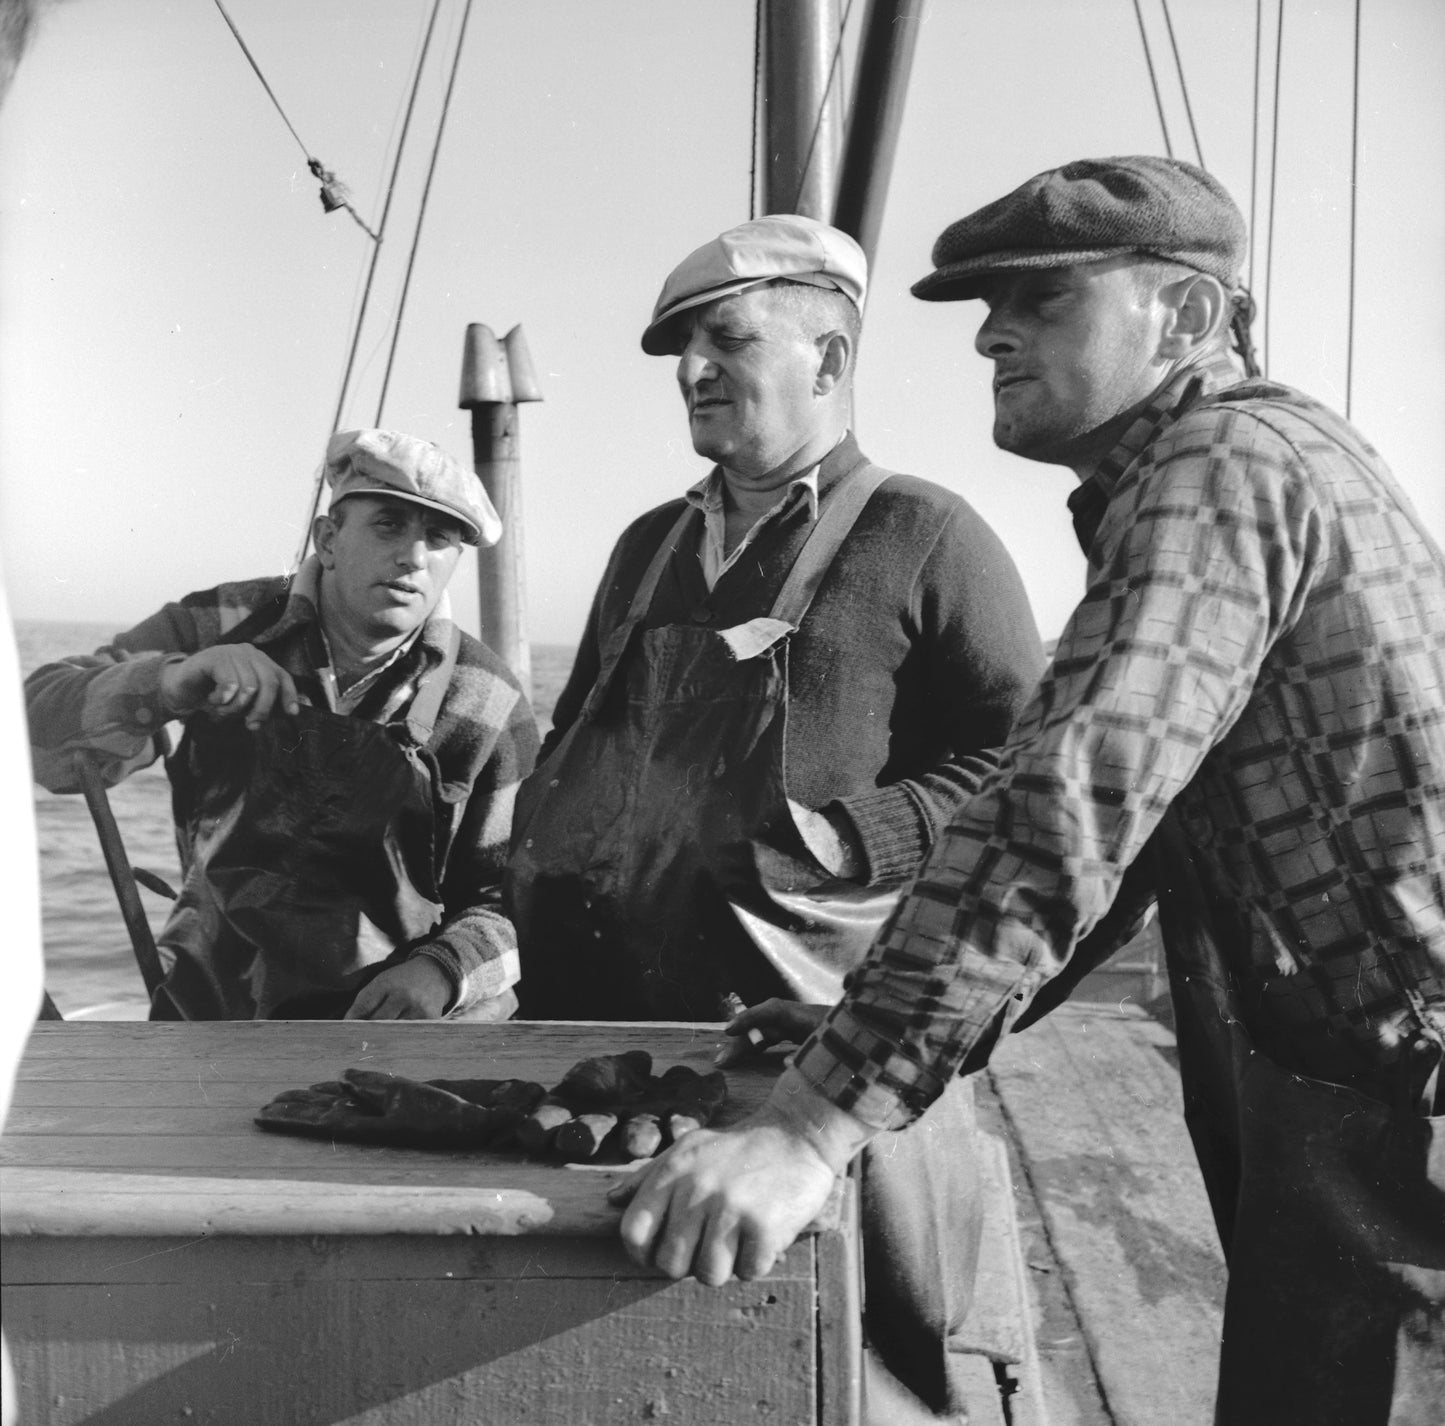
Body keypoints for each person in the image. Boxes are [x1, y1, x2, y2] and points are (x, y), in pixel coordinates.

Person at [614, 157, 1445, 1426]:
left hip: (1394, 1112)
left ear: (1185, 318)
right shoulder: (1250, 458)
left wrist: (808, 1130)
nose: (991, 333)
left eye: (1042, 301)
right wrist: (858, 1052)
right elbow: (1137, 843)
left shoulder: (1217, 470)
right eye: (986, 307)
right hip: (1352, 1099)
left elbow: (1064, 805)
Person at [507, 214, 1046, 1418]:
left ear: (831, 361)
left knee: (863, 1352)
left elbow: (1019, 768)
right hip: (610, 1030)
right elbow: (575, 748)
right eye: (682, 350)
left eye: (724, 340)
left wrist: (857, 836)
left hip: (808, 1040)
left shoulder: (929, 535)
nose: (693, 371)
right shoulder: (649, 546)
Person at [26, 429, 538, 1022]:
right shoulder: (222, 622)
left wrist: (444, 971)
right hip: (206, 1011)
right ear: (328, 538)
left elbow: (515, 901)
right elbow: (34, 732)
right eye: (388, 525)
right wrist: (173, 681)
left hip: (385, 1034)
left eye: (439, 538)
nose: (413, 557)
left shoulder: (486, 700)